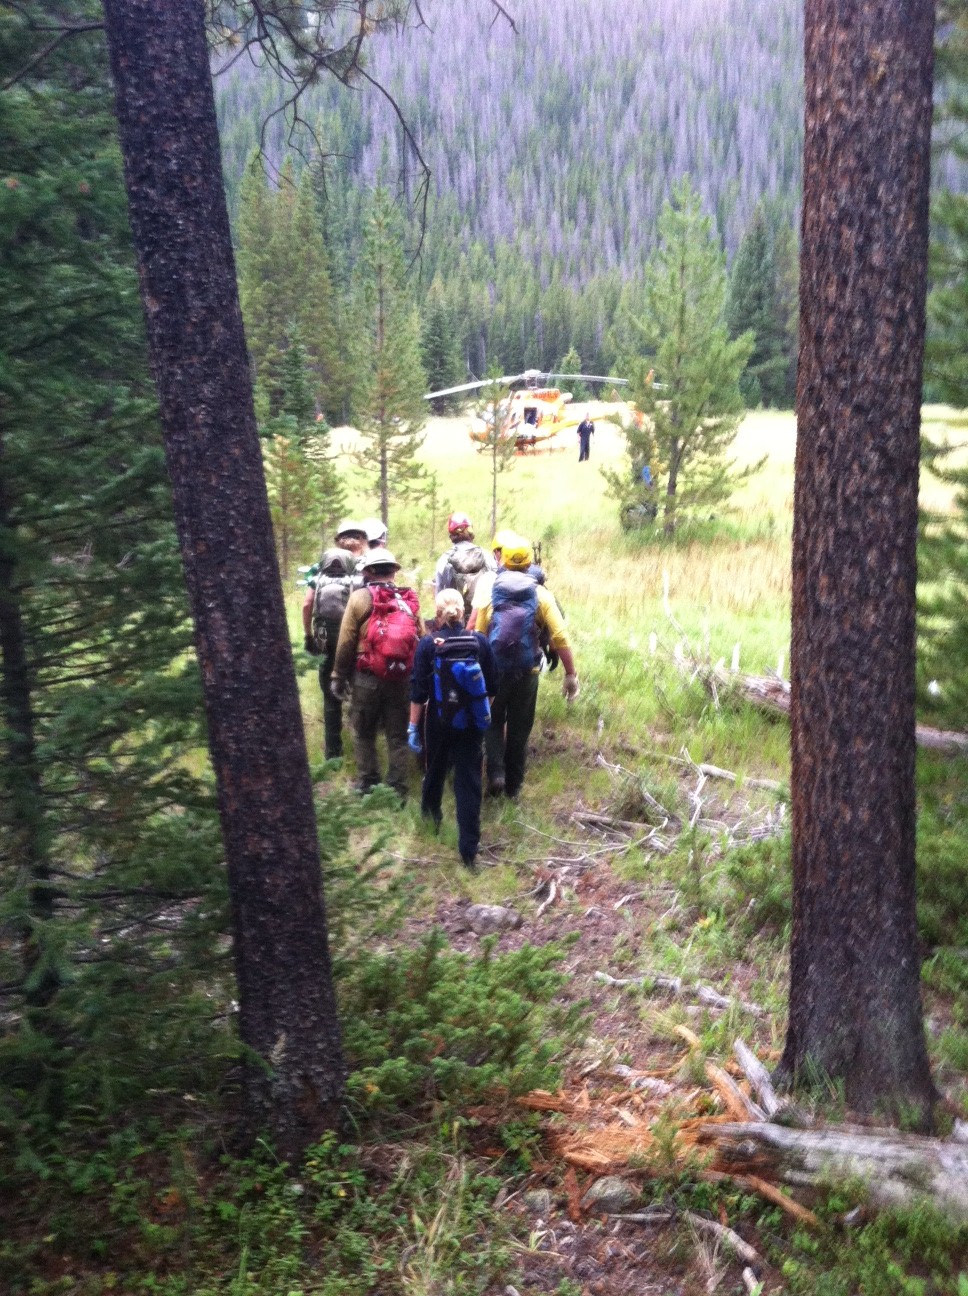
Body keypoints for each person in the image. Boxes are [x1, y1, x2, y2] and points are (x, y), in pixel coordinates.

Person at [476, 538, 580, 799]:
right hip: (528, 672)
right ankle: (514, 787)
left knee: (492, 721)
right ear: (529, 563)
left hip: (494, 672)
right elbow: (561, 636)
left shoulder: (491, 591)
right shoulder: (541, 595)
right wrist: (570, 674)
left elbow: (479, 635)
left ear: (504, 561)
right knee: (520, 729)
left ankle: (496, 773)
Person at [408, 589, 497, 869]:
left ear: (437, 613)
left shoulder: (427, 645)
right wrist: (481, 710)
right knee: (468, 782)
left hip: (438, 719)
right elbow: (492, 686)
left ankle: (431, 819)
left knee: (434, 769)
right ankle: (469, 851)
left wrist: (413, 726)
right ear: (463, 609)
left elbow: (418, 692)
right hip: (470, 722)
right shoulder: (479, 642)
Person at [331, 548, 421, 798]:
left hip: (366, 678)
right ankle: (397, 789)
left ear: (368, 571)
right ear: (393, 571)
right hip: (401, 678)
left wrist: (338, 675)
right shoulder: (407, 599)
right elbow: (421, 638)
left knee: (363, 731)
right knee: (398, 735)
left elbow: (346, 640)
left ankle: (368, 784)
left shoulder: (359, 598)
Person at [302, 548, 357, 759]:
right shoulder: (354, 578)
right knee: (354, 683)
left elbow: (307, 605)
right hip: (348, 636)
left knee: (329, 692)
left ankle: (333, 752)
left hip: (324, 636)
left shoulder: (318, 578)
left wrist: (308, 636)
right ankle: (358, 740)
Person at [434, 512, 496, 618]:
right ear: (470, 530)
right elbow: (495, 582)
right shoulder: (486, 555)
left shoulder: (445, 559)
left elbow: (439, 592)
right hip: (481, 616)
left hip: (454, 618)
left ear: (452, 535)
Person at [466, 528, 518, 632]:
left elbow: (473, 625)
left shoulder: (488, 580)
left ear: (497, 553)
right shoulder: (533, 580)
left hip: (495, 645)